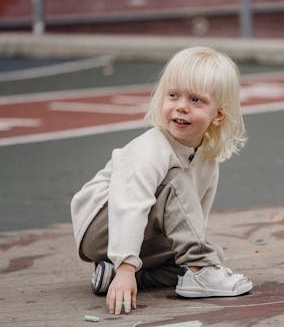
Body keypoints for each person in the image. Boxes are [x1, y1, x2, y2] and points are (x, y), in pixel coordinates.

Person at [70, 46, 252, 315]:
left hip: (140, 231)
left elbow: (193, 219)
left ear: (219, 115)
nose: (181, 106)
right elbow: (128, 203)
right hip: (102, 224)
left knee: (205, 253)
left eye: (196, 100)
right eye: (173, 95)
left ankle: (112, 277)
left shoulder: (206, 157)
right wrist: (125, 267)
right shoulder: (151, 149)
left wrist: (195, 254)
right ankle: (199, 272)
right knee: (175, 184)